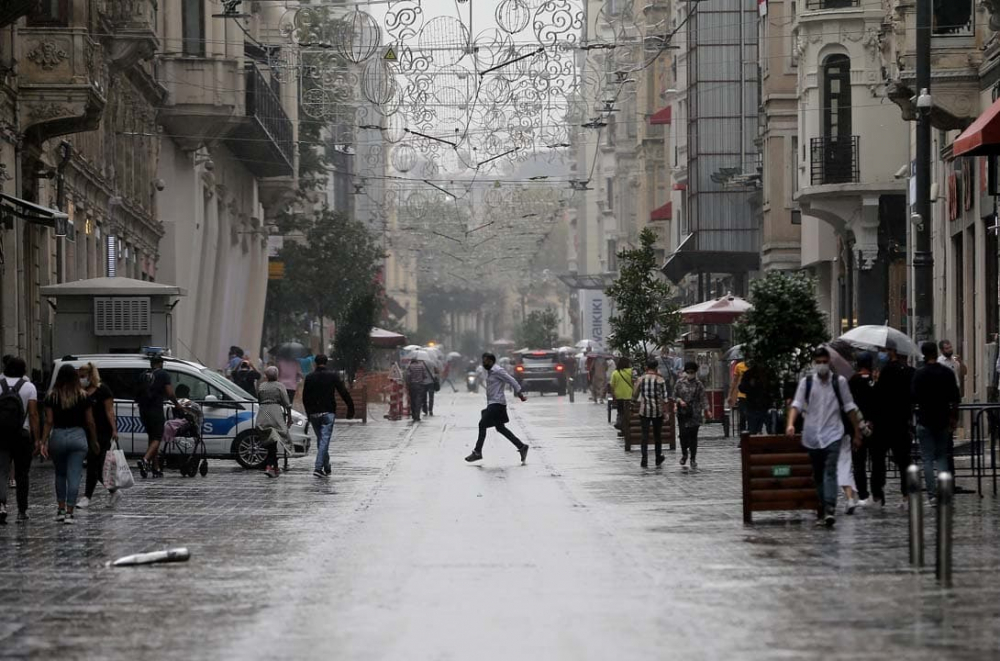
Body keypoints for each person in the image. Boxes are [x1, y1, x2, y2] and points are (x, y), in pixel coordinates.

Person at [786, 347, 862, 527]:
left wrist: (857, 432)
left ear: (829, 363)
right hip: (812, 436)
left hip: (833, 434)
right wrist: (790, 424)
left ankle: (829, 508)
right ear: (814, 363)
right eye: (818, 362)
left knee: (830, 470)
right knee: (818, 475)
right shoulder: (807, 383)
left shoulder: (839, 382)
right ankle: (824, 505)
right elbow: (796, 405)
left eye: (824, 362)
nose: (821, 365)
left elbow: (850, 407)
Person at [40, 364, 98, 524]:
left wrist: (42, 441)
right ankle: (70, 512)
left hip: (58, 435)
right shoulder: (83, 396)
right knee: (74, 475)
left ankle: (60, 509)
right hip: (78, 436)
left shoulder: (51, 396)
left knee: (60, 474)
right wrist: (93, 440)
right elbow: (90, 421)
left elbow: (49, 421)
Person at [912, 341, 961, 502]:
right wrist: (954, 418)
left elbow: (913, 398)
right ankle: (943, 491)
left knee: (927, 458)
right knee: (941, 457)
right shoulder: (946, 373)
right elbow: (955, 398)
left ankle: (932, 494)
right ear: (936, 352)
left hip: (925, 419)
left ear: (924, 355)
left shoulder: (919, 374)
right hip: (943, 419)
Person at [465, 352, 529, 464]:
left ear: (491, 361)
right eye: (483, 361)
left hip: (497, 404)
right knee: (500, 428)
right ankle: (521, 446)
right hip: (493, 404)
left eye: (485, 361)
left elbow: (512, 380)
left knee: (482, 424)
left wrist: (520, 394)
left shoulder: (498, 370)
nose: (484, 363)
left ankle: (477, 452)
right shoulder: (489, 372)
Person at [873, 340, 915, 505]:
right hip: (901, 422)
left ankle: (877, 493)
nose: (881, 354)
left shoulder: (886, 372)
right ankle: (906, 494)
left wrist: (876, 382)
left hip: (884, 423)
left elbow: (879, 397)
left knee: (878, 460)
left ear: (891, 351)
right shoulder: (907, 372)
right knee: (904, 460)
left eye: (883, 351)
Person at [302, 354, 354, 479]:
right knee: (324, 441)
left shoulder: (309, 378)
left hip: (314, 413)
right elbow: (343, 392)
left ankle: (326, 465)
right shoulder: (332, 376)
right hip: (328, 412)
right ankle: (318, 468)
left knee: (321, 440)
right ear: (326, 363)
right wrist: (350, 408)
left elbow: (305, 398)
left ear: (315, 363)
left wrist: (308, 413)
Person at [0, 357, 39, 523]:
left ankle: (1, 505)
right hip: (22, 435)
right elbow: (33, 414)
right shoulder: (29, 387)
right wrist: (37, 439)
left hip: (1, 435)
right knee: (22, 474)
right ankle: (22, 511)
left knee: (1, 471)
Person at [76, 363, 119, 509]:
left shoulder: (103, 390)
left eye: (83, 376)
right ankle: (111, 491)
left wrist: (114, 430)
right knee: (93, 465)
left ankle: (88, 496)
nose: (80, 379)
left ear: (90, 375)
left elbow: (109, 411)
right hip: (86, 431)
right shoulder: (81, 391)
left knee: (97, 465)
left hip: (102, 432)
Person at [136, 355, 180, 479]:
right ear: (161, 364)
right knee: (157, 437)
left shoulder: (143, 375)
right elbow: (170, 393)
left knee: (152, 438)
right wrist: (177, 404)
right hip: (155, 409)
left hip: (143, 410)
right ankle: (145, 460)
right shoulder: (163, 374)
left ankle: (156, 468)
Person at [847, 352, 878, 506]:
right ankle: (877, 493)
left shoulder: (852, 381)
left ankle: (863, 495)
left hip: (857, 427)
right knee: (877, 461)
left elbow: (849, 406)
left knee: (859, 463)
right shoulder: (875, 381)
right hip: (874, 427)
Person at [631, 358, 669, 468]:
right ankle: (658, 457)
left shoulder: (641, 379)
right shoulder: (660, 380)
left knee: (644, 435)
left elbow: (635, 394)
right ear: (656, 368)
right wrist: (666, 412)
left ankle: (644, 459)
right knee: (657, 436)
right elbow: (665, 397)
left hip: (644, 411)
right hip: (658, 411)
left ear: (646, 368)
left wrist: (632, 405)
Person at [256, 366, 293, 479]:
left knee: (270, 439)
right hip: (275, 412)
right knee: (278, 437)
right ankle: (269, 465)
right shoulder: (280, 386)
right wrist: (289, 417)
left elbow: (259, 399)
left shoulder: (261, 386)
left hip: (263, 412)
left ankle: (275, 467)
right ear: (276, 375)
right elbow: (286, 403)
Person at [674, 361, 709, 470]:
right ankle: (684, 454)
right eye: (688, 372)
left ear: (695, 372)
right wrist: (680, 401)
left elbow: (703, 398)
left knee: (693, 436)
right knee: (683, 435)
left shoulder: (699, 384)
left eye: (692, 372)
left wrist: (707, 410)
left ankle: (693, 458)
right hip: (683, 413)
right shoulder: (679, 383)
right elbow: (674, 395)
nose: (690, 374)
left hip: (695, 413)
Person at [738, 363, 774, 434]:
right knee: (752, 430)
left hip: (766, 406)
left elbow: (774, 388)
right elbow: (742, 388)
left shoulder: (769, 372)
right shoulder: (749, 374)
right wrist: (750, 384)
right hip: (753, 406)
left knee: (771, 429)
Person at [609, 357, 634, 436]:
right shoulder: (632, 372)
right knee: (629, 413)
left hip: (619, 396)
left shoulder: (615, 373)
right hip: (630, 395)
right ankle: (628, 428)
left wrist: (613, 396)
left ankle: (622, 429)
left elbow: (612, 386)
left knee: (621, 412)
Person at [729, 359, 749, 431]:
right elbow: (734, 380)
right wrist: (730, 395)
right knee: (743, 415)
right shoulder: (739, 366)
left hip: (752, 395)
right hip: (742, 394)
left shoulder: (755, 366)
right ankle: (742, 432)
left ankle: (751, 431)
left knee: (751, 415)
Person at [406, 357, 429, 422]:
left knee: (413, 400)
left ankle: (413, 415)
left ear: (412, 361)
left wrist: (408, 383)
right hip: (420, 385)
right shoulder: (422, 366)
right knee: (419, 401)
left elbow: (408, 376)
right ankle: (417, 415)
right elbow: (425, 375)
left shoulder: (410, 367)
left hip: (412, 385)